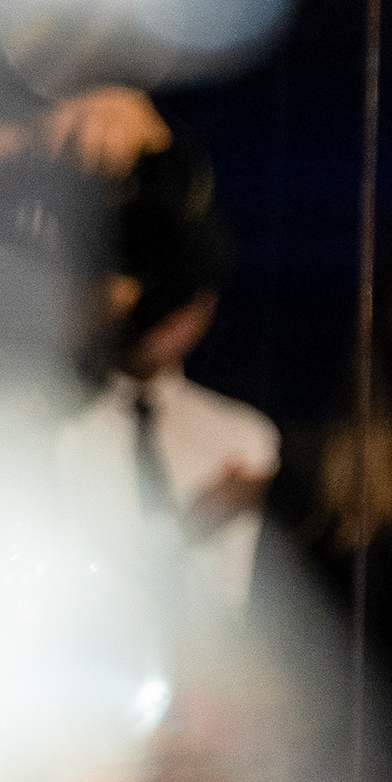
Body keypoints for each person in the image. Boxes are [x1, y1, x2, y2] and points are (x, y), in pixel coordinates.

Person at [56, 143, 275, 607]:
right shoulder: (52, 433)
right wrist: (193, 523)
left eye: (186, 283)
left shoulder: (245, 438)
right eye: (139, 270)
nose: (164, 304)